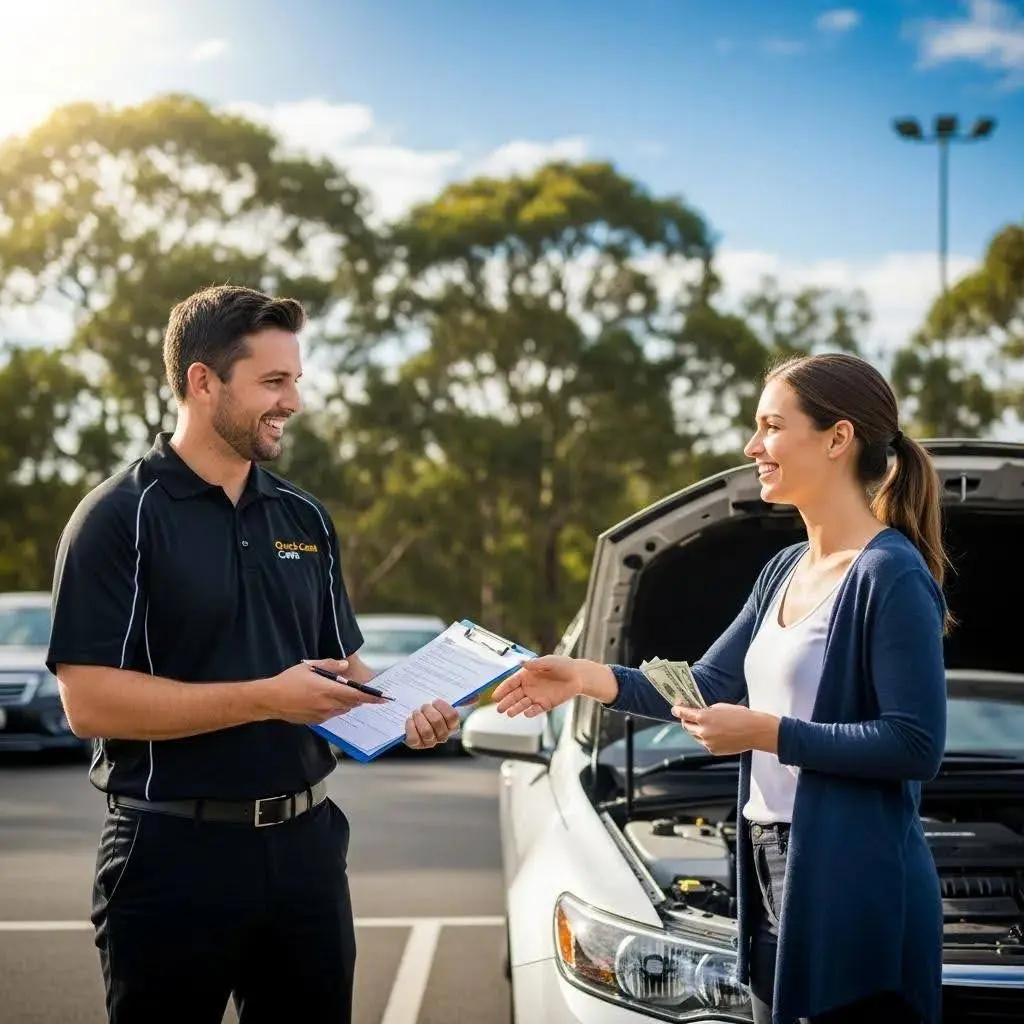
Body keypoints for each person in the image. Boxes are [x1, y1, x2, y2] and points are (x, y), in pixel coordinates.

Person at [45, 284, 463, 1024]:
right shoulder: (117, 517)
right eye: (274, 381)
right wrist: (266, 697)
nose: (293, 402)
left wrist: (415, 711)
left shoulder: (304, 517)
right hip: (169, 853)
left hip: (307, 852)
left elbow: (343, 671)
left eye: (295, 380)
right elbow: (89, 704)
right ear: (203, 382)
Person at [493, 352, 949, 1024]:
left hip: (853, 877)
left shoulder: (890, 574)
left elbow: (915, 745)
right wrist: (584, 678)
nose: (752, 446)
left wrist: (766, 733)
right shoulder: (785, 569)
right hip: (767, 869)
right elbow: (704, 685)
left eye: (770, 426)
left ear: (837, 438)